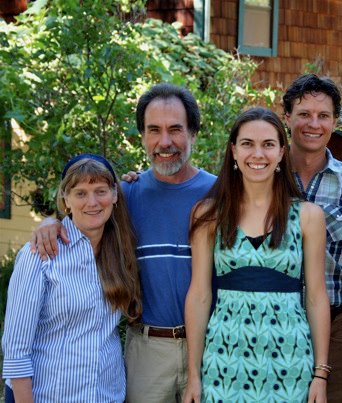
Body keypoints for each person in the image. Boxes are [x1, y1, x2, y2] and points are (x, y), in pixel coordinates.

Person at [29, 83, 217, 402]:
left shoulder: (220, 194)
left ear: (193, 134)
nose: (165, 141)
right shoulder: (125, 196)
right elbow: (83, 218)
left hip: (212, 347)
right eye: (154, 130)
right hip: (147, 352)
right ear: (142, 136)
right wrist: (52, 222)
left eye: (175, 129)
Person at [183, 107, 330, 402]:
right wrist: (194, 375)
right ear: (234, 151)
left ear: (281, 152)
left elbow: (316, 297)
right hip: (224, 359)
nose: (258, 154)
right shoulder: (208, 214)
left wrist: (320, 374)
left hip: (290, 361)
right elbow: (199, 295)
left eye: (268, 144)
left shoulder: (308, 216)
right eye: (248, 144)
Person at [2, 154, 141, 402]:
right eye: (80, 193)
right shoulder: (41, 254)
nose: (92, 202)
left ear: (114, 195)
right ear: (65, 199)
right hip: (50, 396)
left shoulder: (120, 252)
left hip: (106, 396)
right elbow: (16, 352)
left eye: (100, 191)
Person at [283, 74, 342, 403]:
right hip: (273, 323)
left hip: (335, 328)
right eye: (304, 114)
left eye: (323, 116)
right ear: (287, 117)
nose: (313, 124)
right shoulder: (262, 175)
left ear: (335, 122)